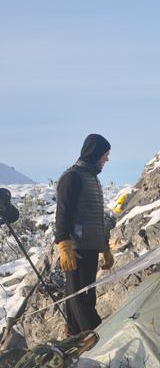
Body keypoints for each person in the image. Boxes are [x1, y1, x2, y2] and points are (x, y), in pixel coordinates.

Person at [54, 134, 115, 335]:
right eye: (105, 155)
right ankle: (94, 336)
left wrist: (104, 247)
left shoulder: (90, 178)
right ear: (95, 154)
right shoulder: (72, 177)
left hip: (89, 248)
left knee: (83, 296)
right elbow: (63, 213)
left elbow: (94, 218)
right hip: (76, 249)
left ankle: (74, 334)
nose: (107, 159)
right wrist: (64, 245)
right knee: (80, 298)